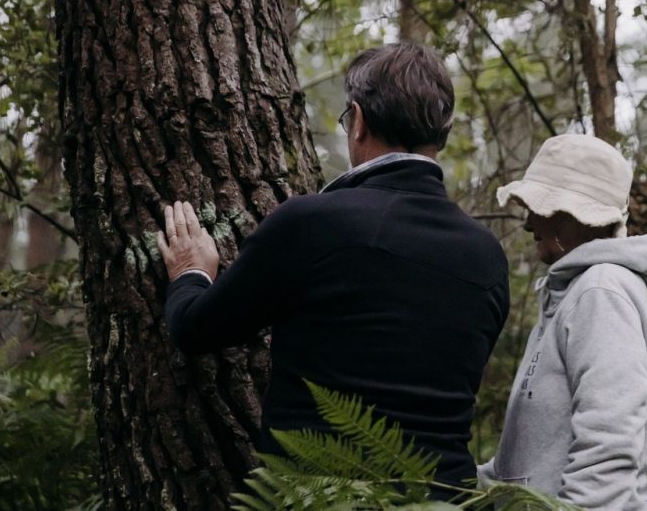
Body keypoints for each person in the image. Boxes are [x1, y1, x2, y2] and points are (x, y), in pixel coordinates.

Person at [157, 43, 510, 498]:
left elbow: (194, 330)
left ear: (358, 120)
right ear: (440, 134)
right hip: (442, 500)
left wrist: (190, 272)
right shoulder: (488, 255)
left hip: (322, 498)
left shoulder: (311, 223)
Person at [477, 134, 647, 510]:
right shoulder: (577, 291)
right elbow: (536, 460)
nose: (528, 223)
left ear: (574, 215)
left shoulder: (600, 292)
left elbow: (609, 450)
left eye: (538, 207)